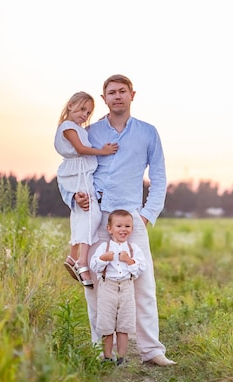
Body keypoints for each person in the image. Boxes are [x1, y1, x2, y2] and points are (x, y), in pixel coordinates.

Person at [59, 75, 176, 366]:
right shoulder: (90, 132)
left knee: (144, 283)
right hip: (97, 216)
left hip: (132, 218)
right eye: (111, 92)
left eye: (122, 91)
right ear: (104, 99)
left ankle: (152, 351)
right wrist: (74, 196)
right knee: (97, 285)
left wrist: (147, 216)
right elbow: (70, 168)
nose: (117, 96)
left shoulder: (148, 133)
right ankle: (100, 349)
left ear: (132, 95)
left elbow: (159, 178)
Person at [54, 91, 118, 287]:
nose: (84, 115)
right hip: (78, 174)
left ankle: (73, 257)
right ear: (70, 105)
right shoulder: (67, 126)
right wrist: (103, 151)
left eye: (88, 112)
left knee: (82, 215)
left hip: (83, 174)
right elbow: (81, 149)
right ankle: (82, 262)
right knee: (92, 215)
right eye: (82, 109)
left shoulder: (78, 128)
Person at [90, 209, 146, 365]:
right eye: (119, 226)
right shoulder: (104, 247)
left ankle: (121, 357)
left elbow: (140, 269)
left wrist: (129, 260)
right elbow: (95, 266)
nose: (123, 229)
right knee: (106, 324)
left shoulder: (134, 249)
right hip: (108, 287)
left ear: (132, 229)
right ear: (109, 229)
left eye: (127, 226)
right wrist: (103, 258)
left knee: (124, 324)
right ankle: (107, 357)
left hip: (127, 287)